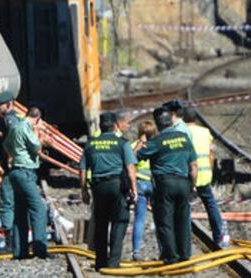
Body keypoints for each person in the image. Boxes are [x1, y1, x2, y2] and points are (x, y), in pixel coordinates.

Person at [137, 108, 197, 265]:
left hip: (165, 184)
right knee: (183, 220)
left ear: (158, 124)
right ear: (171, 121)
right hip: (184, 183)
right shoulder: (184, 138)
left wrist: (141, 142)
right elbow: (193, 166)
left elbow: (134, 156)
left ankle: (171, 257)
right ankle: (185, 255)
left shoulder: (156, 142)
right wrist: (192, 186)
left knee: (165, 222)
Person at [79, 112, 136, 271]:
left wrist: (84, 190)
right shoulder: (122, 143)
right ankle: (113, 263)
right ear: (115, 126)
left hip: (98, 187)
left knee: (101, 224)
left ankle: (100, 262)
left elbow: (83, 170)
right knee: (120, 221)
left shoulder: (90, 144)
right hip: (117, 185)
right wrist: (134, 189)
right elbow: (130, 168)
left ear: (100, 127)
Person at [3, 106, 49, 259]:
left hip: (16, 171)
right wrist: (40, 136)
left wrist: (15, 155)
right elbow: (36, 148)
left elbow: (7, 145)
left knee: (20, 212)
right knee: (39, 209)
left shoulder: (15, 126)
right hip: (25, 172)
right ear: (37, 118)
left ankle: (20, 251)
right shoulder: (26, 127)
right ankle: (40, 249)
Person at [183, 106, 228, 248]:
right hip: (205, 174)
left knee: (185, 206)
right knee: (210, 204)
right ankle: (219, 235)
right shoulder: (205, 132)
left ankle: (185, 240)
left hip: (189, 175)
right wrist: (210, 170)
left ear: (183, 118)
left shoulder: (182, 132)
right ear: (196, 118)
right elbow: (211, 155)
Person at [0, 91, 22, 247]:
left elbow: (14, 136)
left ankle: (10, 241)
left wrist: (11, 155)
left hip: (12, 169)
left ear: (9, 104)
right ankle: (18, 240)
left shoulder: (10, 120)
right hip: (19, 167)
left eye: (0, 105)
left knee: (6, 202)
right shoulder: (17, 118)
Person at [130, 120, 158, 261]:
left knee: (139, 219)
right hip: (154, 184)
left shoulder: (134, 145)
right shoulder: (157, 145)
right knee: (160, 219)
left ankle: (136, 251)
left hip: (139, 184)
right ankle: (163, 249)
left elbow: (130, 161)